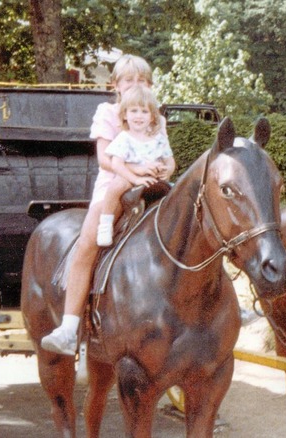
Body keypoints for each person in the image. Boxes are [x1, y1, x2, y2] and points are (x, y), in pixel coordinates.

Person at [41, 54, 167, 355]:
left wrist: (159, 169)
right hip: (114, 185)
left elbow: (163, 154)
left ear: (150, 85)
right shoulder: (108, 112)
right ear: (116, 85)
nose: (135, 85)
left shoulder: (155, 116)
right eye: (128, 80)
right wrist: (136, 172)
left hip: (151, 184)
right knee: (88, 244)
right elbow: (104, 159)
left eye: (142, 80)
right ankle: (69, 327)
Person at [96, 84, 175, 247]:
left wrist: (167, 171)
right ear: (124, 115)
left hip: (153, 178)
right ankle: (105, 223)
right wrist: (135, 179)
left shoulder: (158, 138)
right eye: (134, 111)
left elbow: (169, 160)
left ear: (153, 117)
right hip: (128, 177)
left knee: (177, 191)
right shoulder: (124, 138)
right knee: (117, 185)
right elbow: (117, 164)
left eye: (144, 111)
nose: (139, 116)